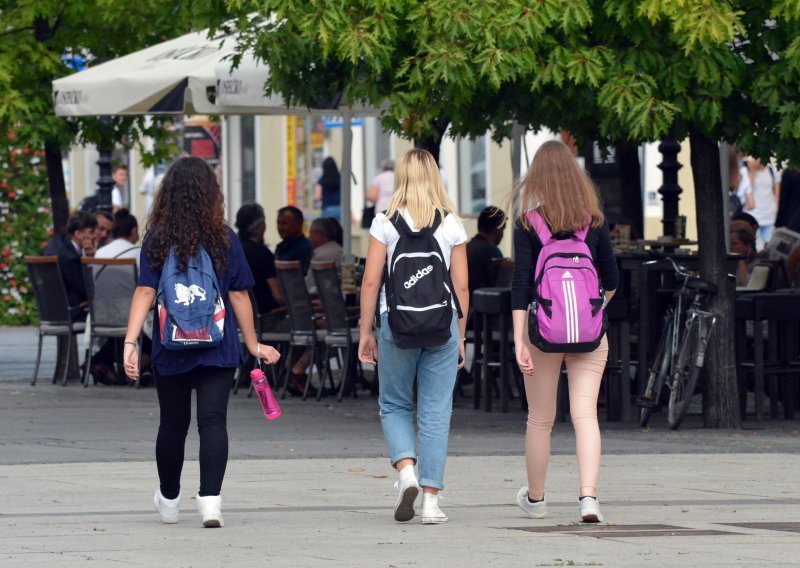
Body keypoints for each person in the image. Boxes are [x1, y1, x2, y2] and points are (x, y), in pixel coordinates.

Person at [122, 157, 280, 528]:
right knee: (213, 422)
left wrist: (131, 342)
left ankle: (170, 497)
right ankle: (210, 501)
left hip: (170, 342)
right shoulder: (224, 237)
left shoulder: (157, 237)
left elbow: (145, 290)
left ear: (168, 195)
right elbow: (240, 296)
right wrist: (253, 344)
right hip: (217, 343)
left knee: (172, 424)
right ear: (211, 193)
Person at [358, 149, 469, 525]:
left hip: (395, 323)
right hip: (442, 325)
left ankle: (406, 471)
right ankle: (432, 503)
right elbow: (462, 288)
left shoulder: (384, 224)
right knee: (436, 412)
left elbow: (371, 281)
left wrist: (364, 331)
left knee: (394, 404)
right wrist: (461, 335)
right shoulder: (452, 224)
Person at [511, 140, 618, 524]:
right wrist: (590, 314)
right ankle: (588, 498)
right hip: (590, 335)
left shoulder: (529, 223)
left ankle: (536, 500)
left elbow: (521, 285)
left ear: (537, 177)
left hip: (543, 334)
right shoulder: (594, 222)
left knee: (540, 419)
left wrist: (519, 338)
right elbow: (612, 280)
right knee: (585, 415)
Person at [234, 203, 286, 332]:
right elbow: (278, 296)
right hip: (267, 320)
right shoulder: (263, 254)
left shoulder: (230, 251)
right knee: (309, 326)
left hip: (235, 320)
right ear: (261, 226)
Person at [43, 211, 97, 320]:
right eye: (91, 232)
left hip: (49, 311)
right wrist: (91, 259)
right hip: (72, 312)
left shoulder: (56, 242)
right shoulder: (70, 258)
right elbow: (87, 290)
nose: (95, 236)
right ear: (78, 234)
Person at [466, 206, 506, 299]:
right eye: (503, 229)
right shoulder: (492, 251)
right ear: (497, 229)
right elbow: (498, 288)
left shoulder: (467, 247)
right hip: (483, 307)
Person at [747, 157, 781, 247]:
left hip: (770, 215)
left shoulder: (772, 171)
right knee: (755, 246)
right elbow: (747, 189)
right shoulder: (747, 171)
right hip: (754, 215)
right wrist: (752, 171)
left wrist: (777, 212)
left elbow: (777, 194)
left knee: (769, 246)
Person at [305, 217, 344, 292]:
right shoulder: (337, 249)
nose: (309, 237)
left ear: (319, 234)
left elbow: (308, 286)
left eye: (310, 232)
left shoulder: (322, 255)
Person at [275, 206, 313, 272]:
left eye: (285, 223)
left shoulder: (305, 249)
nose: (280, 227)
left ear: (298, 225)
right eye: (278, 223)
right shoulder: (280, 247)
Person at [729, 220, 758, 286]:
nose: (730, 247)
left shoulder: (757, 265)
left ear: (748, 246)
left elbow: (744, 283)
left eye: (734, 244)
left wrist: (740, 259)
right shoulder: (729, 265)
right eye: (729, 244)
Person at [314, 157, 342, 221]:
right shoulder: (341, 178)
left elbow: (317, 196)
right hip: (340, 209)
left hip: (327, 209)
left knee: (327, 229)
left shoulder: (321, 180)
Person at [775, 167, 800, 233]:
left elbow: (783, 200)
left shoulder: (789, 174)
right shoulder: (789, 174)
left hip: (790, 218)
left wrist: (778, 224)